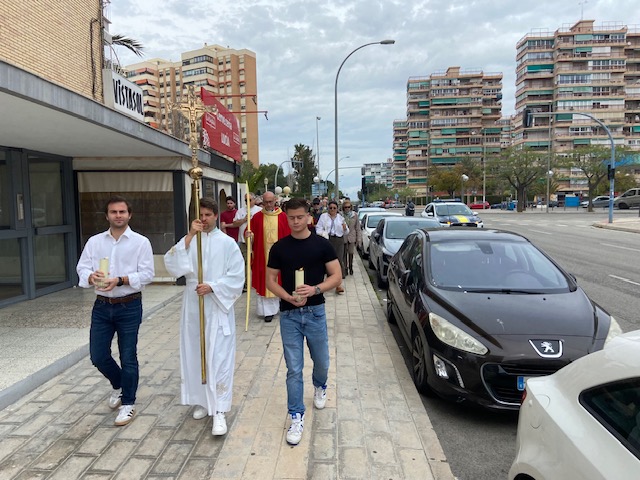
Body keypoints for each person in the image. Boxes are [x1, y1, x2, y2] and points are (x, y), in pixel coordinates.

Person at [164, 197, 244, 436]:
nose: (204, 219)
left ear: (216, 216)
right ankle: (201, 400)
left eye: (208, 215)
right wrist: (190, 236)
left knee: (218, 355)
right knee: (194, 351)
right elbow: (173, 264)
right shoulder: (190, 241)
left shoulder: (227, 243)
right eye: (200, 215)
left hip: (216, 304)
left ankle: (219, 409)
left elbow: (237, 276)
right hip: (193, 303)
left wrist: (213, 287)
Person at [265, 197, 342, 445]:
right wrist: (287, 296)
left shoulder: (322, 245)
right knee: (294, 368)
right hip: (289, 315)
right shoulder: (279, 248)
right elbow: (270, 280)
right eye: (291, 218)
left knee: (322, 361)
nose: (296, 222)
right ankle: (296, 415)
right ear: (286, 218)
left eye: (300, 217)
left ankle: (320, 385)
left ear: (309, 217)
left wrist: (315, 289)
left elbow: (336, 276)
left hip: (315, 312)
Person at [76, 195, 154, 427]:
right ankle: (120, 384)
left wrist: (120, 280)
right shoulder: (95, 242)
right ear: (107, 216)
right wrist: (90, 276)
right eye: (113, 212)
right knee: (98, 356)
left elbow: (147, 274)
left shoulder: (141, 242)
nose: (118, 215)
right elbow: (82, 267)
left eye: (122, 212)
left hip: (129, 305)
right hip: (102, 306)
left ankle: (128, 403)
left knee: (128, 356)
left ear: (129, 215)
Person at [247, 191, 291, 322]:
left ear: (275, 200)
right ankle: (267, 312)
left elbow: (289, 234)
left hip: (280, 255)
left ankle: (282, 305)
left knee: (281, 279)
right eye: (265, 202)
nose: (268, 204)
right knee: (264, 280)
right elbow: (250, 232)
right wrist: (249, 235)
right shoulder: (257, 217)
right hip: (263, 256)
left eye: (270, 201)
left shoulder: (283, 217)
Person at [315, 200, 349, 293]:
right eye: (330, 208)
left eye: (334, 208)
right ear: (328, 208)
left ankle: (338, 284)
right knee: (327, 261)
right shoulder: (324, 217)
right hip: (327, 239)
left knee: (338, 260)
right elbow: (318, 228)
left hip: (338, 240)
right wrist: (324, 234)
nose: (332, 210)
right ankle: (327, 282)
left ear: (337, 209)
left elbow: (346, 232)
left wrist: (345, 228)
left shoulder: (340, 218)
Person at [231, 193, 262, 288]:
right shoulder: (240, 211)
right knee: (244, 262)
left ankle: (258, 281)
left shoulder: (259, 210)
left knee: (256, 262)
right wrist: (244, 220)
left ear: (254, 200)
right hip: (243, 241)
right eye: (245, 200)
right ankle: (246, 283)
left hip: (256, 242)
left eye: (249, 200)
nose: (247, 202)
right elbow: (235, 223)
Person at [342, 200, 361, 275]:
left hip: (352, 237)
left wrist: (358, 239)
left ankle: (350, 266)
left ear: (351, 207)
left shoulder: (354, 215)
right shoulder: (341, 215)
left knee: (351, 252)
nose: (347, 208)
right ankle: (345, 268)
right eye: (345, 207)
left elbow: (358, 227)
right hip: (343, 236)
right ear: (343, 208)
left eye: (348, 207)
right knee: (344, 254)